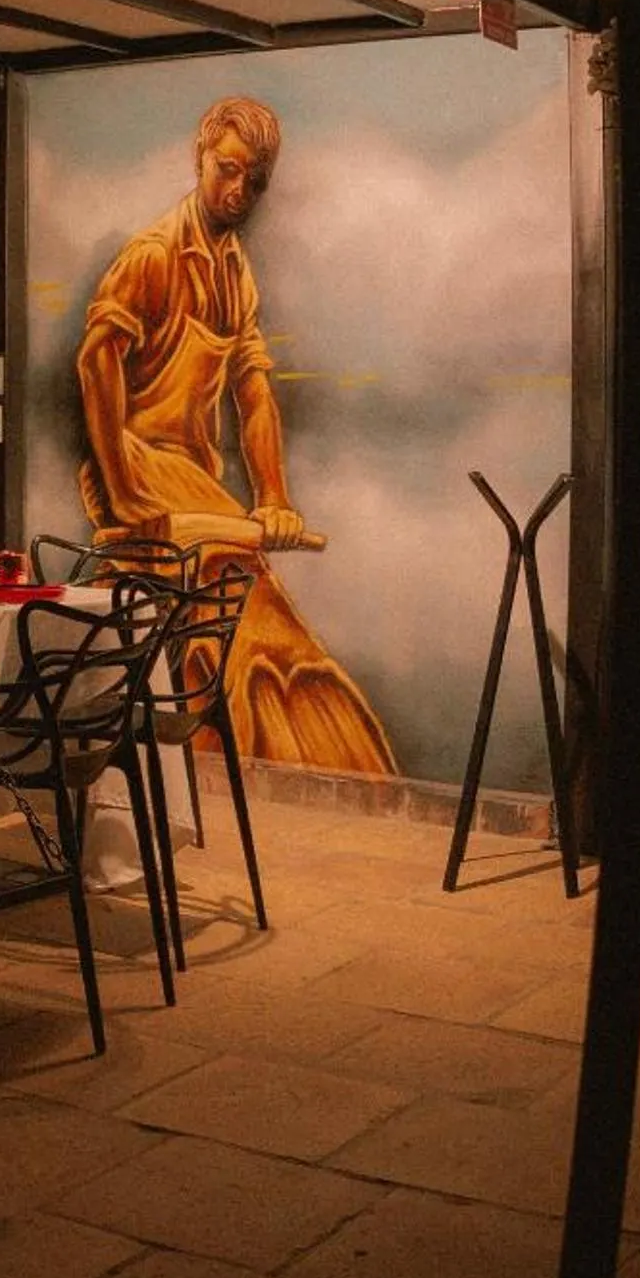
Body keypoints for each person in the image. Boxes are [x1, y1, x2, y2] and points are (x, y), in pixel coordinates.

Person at [75, 96, 396, 775]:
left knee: (250, 627)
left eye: (253, 180)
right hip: (139, 475)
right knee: (257, 632)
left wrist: (273, 497)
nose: (238, 190)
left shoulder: (231, 268)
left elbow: (253, 390)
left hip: (195, 488)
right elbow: (94, 359)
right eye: (227, 170)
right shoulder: (154, 254)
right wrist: (121, 488)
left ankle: (266, 773)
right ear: (200, 159)